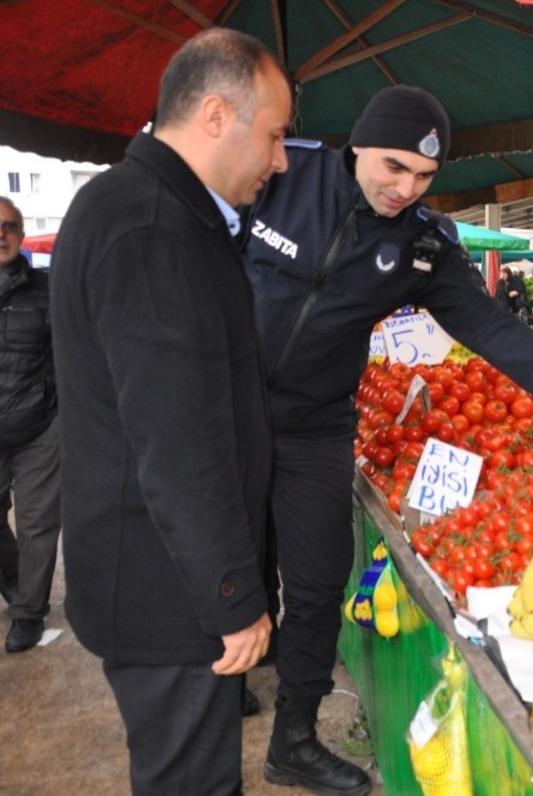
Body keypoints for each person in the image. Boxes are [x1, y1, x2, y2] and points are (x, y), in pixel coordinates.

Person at [242, 85, 533, 795]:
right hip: (227, 407)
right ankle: (214, 689)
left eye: (422, 177)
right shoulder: (281, 174)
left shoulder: (422, 242)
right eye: (392, 167)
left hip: (318, 424)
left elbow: (488, 323)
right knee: (217, 558)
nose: (404, 189)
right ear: (357, 146)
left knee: (319, 581)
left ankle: (293, 738)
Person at [50, 29, 289, 794]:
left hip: (159, 574)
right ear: (217, 115)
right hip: (169, 589)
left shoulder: (150, 208)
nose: (281, 160)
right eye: (276, 135)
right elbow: (176, 438)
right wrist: (234, 596)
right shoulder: (152, 226)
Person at [0, 198, 59, 653]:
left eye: (9, 226)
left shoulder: (46, 287)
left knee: (38, 522)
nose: (1, 234)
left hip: (39, 427)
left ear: (21, 234)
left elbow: (70, 351)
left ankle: (27, 613)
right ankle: (15, 583)